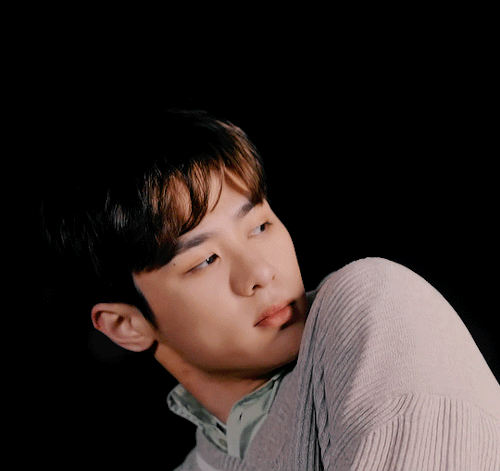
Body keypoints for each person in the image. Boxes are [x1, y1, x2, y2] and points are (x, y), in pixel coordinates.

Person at [42, 108, 500, 470]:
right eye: (205, 260)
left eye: (260, 226)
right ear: (125, 325)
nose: (260, 272)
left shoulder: (374, 308)